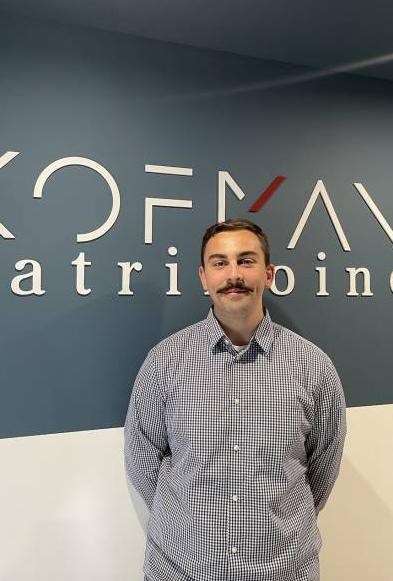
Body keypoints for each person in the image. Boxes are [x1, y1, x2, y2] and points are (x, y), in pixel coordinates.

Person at [124, 219, 346, 581]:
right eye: (220, 263)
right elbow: (142, 455)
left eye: (246, 261)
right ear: (203, 277)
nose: (233, 275)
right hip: (182, 570)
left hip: (283, 571)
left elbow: (324, 462)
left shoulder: (313, 366)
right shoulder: (165, 361)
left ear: (268, 274)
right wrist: (184, 524)